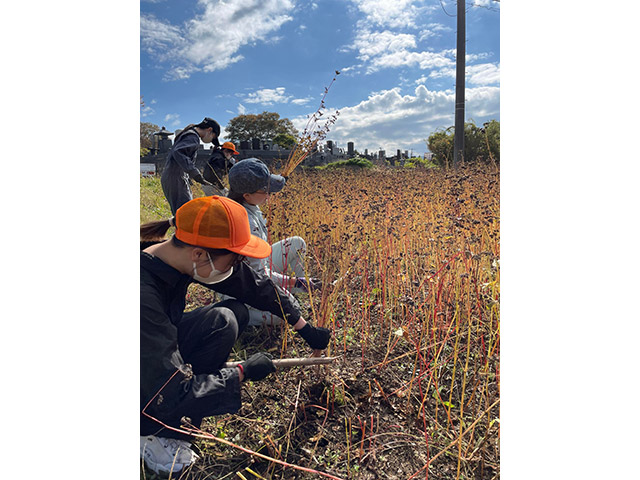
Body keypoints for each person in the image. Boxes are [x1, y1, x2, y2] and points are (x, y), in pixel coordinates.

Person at [140, 196, 331, 476]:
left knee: (225, 318)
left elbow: (255, 286)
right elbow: (164, 392)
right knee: (165, 396)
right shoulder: (141, 295)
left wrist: (304, 327)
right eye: (236, 257)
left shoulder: (178, 256)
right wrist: (241, 372)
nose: (237, 264)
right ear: (198, 254)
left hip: (145, 346)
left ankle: (189, 404)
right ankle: (152, 432)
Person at [227, 158, 321, 326]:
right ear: (246, 195)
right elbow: (257, 275)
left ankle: (303, 289)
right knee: (287, 315)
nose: (269, 195)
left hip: (259, 265)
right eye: (265, 190)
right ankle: (238, 313)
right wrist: (295, 282)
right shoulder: (244, 222)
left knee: (297, 243)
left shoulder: (246, 204)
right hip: (243, 284)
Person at [160, 117, 219, 215]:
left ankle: (180, 229)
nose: (211, 140)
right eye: (213, 137)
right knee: (186, 214)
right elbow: (179, 153)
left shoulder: (189, 134)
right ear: (209, 130)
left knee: (182, 213)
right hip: (176, 177)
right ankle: (181, 230)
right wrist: (194, 173)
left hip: (174, 177)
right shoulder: (193, 136)